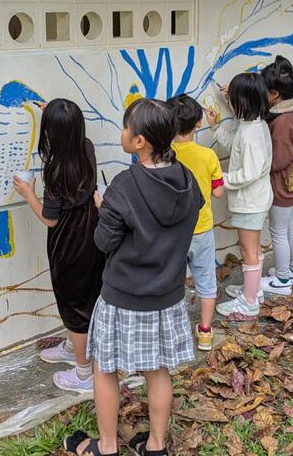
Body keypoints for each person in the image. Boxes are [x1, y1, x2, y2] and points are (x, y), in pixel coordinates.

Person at [64, 98, 202, 456]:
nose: (123, 131)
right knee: (158, 370)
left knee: (105, 369)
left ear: (139, 141)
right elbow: (187, 219)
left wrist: (103, 208)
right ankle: (155, 446)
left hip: (122, 295)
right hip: (168, 294)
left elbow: (103, 242)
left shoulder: (123, 187)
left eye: (127, 127)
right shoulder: (186, 180)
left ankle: (106, 446)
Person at [13, 98, 105, 393]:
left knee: (74, 306)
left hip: (68, 243)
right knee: (83, 297)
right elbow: (69, 130)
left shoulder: (55, 170)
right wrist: (53, 113)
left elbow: (50, 219)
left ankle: (82, 374)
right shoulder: (87, 147)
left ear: (50, 133)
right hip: (91, 233)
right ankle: (71, 346)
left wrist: (28, 192)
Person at [206, 72, 273, 319]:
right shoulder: (254, 125)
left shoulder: (251, 133)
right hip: (254, 200)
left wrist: (222, 179)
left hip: (250, 202)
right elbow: (233, 143)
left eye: (232, 97)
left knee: (248, 251)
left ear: (241, 102)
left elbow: (249, 172)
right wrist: (214, 126)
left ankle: (249, 301)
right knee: (253, 248)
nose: (229, 101)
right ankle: (253, 290)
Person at [167, 94, 225, 351]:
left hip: (173, 233)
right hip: (202, 229)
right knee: (206, 281)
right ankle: (204, 332)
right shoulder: (208, 156)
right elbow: (218, 192)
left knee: (173, 284)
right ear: (199, 123)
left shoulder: (164, 156)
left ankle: (175, 334)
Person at [259, 56, 293, 296]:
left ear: (275, 93)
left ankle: (282, 278)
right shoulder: (288, 113)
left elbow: (278, 160)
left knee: (279, 232)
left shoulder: (279, 123)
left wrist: (261, 166)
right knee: (290, 229)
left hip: (281, 185)